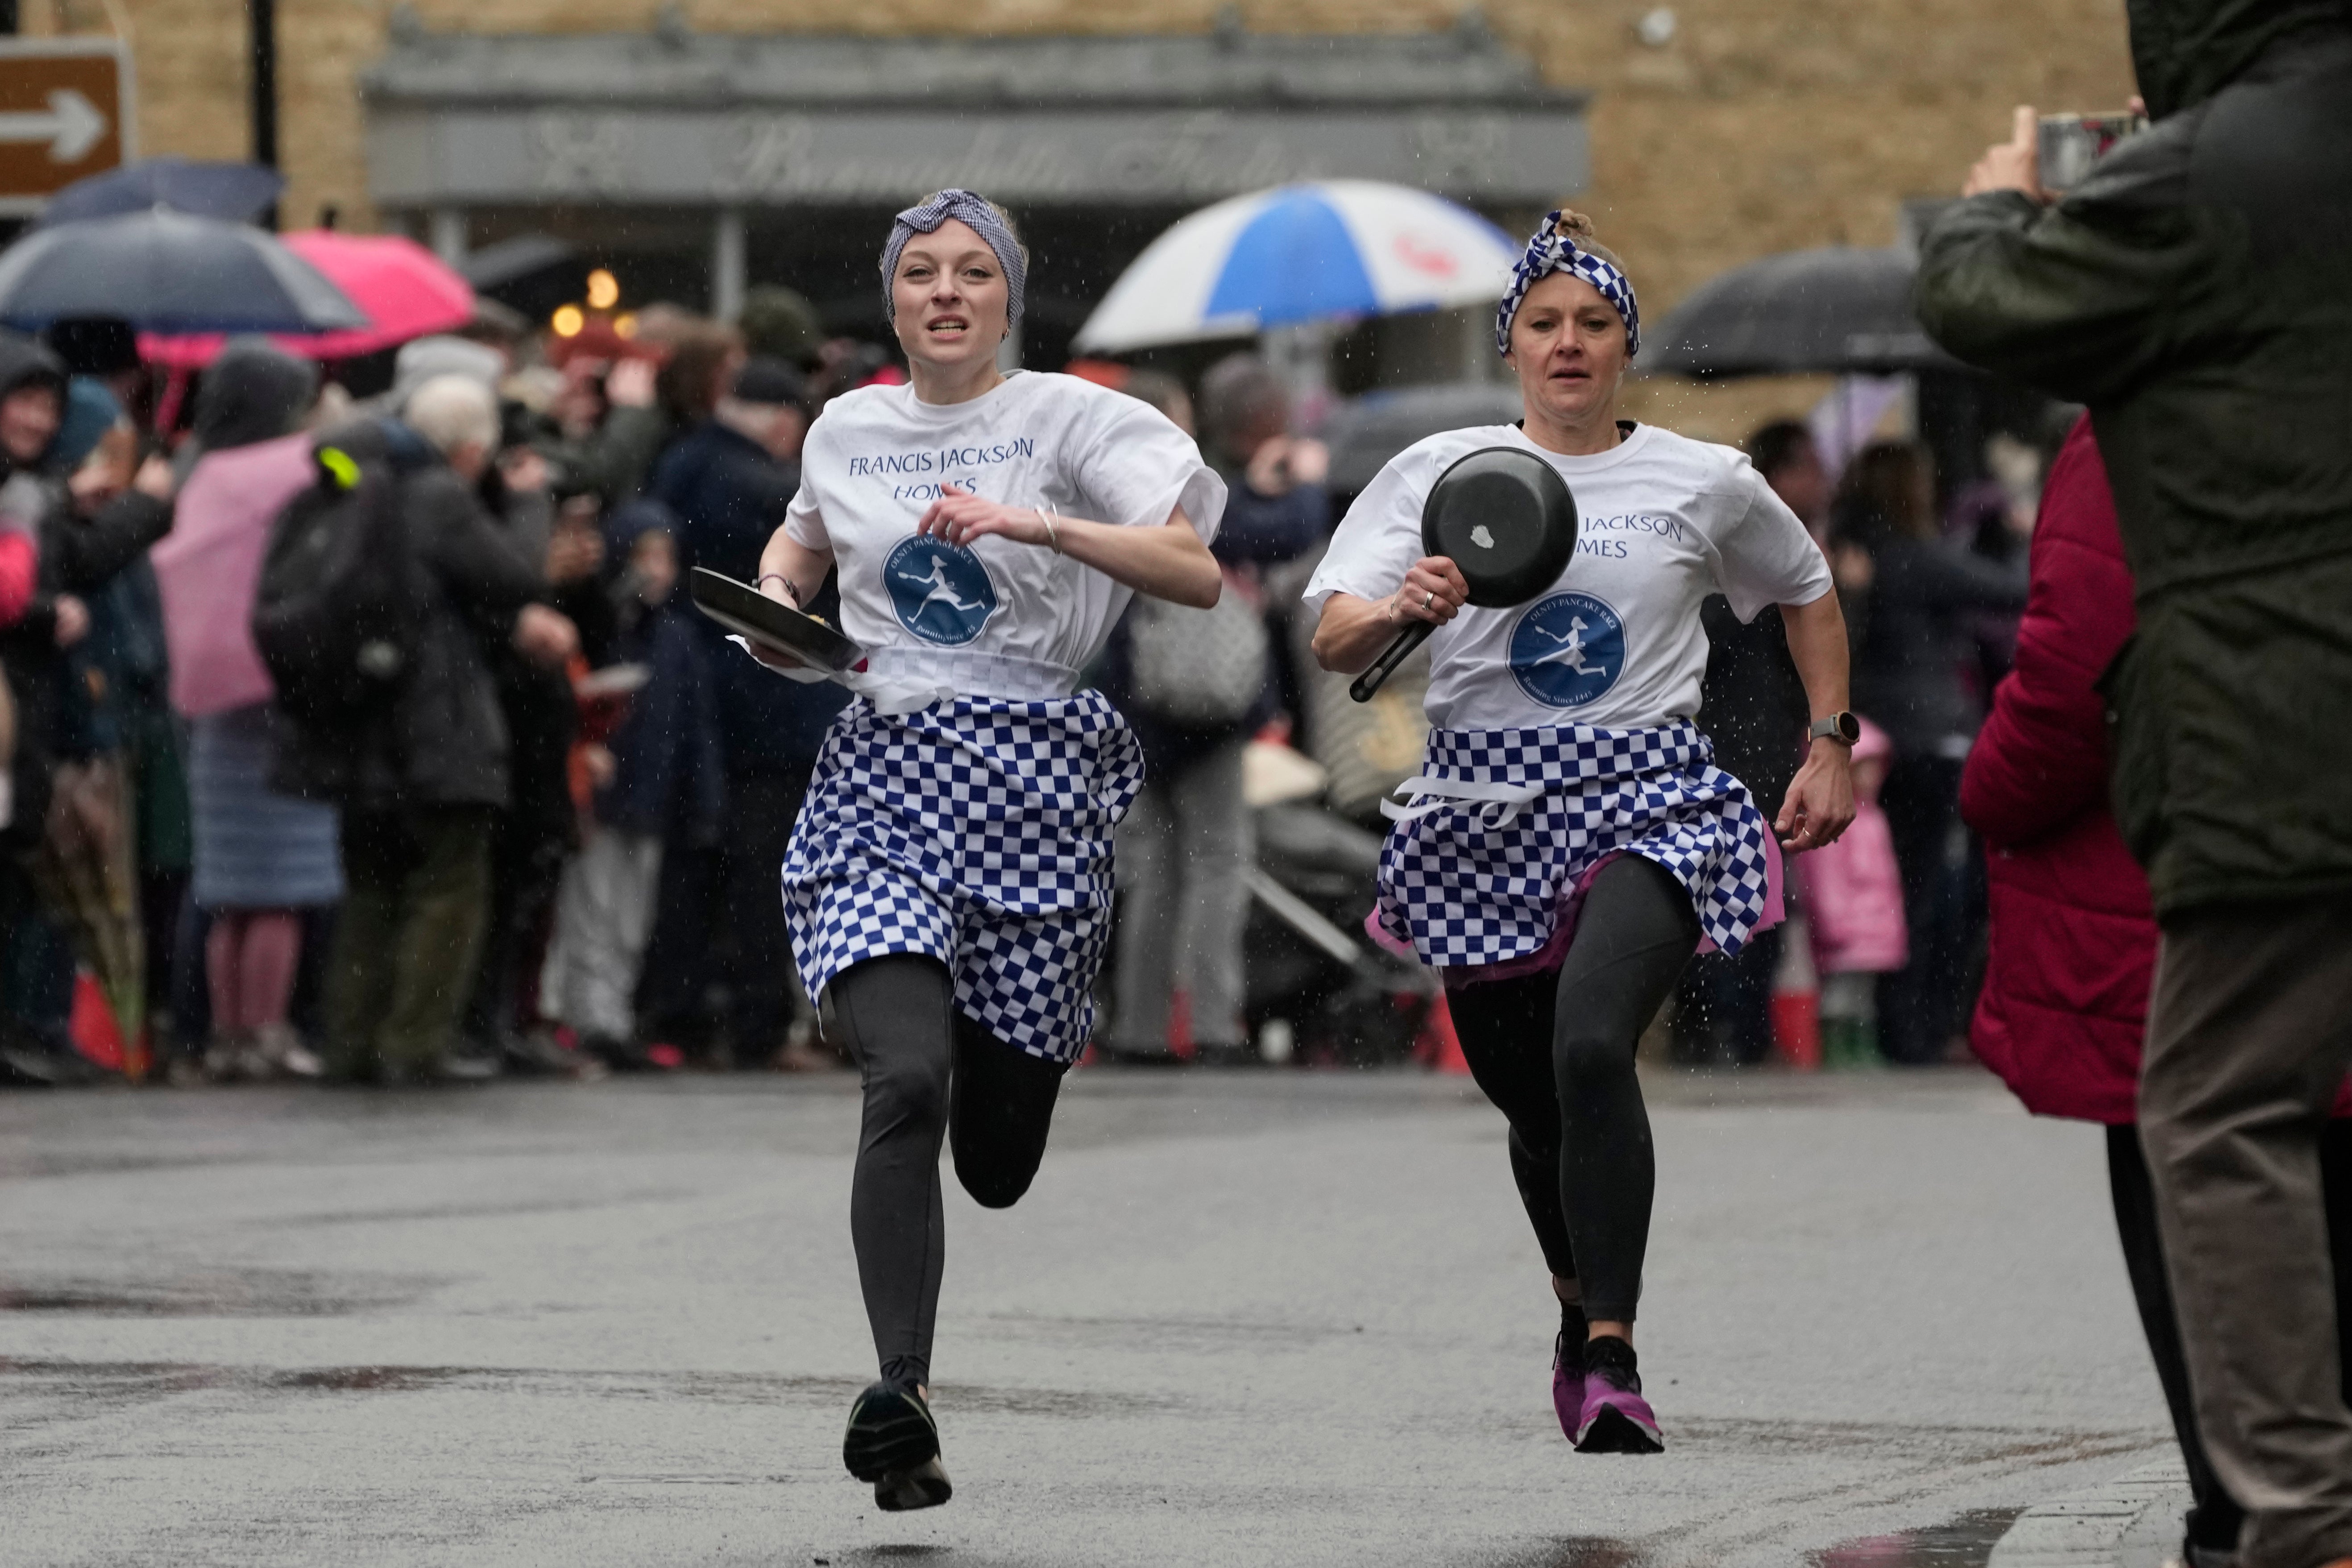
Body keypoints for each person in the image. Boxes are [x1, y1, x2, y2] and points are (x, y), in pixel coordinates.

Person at [1305, 209, 1854, 1454]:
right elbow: (1333, 637)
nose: (1568, 344)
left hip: (1646, 791)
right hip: (1481, 807)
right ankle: (1572, 1305)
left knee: (1593, 1044)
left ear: (1623, 345)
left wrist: (1830, 740)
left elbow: (1808, 588)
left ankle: (1612, 1351)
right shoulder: (1435, 474)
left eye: (1593, 324)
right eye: (1544, 324)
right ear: (1511, 345)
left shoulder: (1701, 480)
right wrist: (1401, 603)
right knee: (1532, 1096)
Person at [1914, 8, 2352, 1560]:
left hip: (2263, 768)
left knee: (2217, 1119)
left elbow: (1981, 304)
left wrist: (2004, 203)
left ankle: (2293, 1517)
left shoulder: (2221, 192)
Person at [750, 189, 1224, 1510]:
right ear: (892, 299)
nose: (946, 292)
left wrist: (1039, 524)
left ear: (1008, 296)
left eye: (973, 272)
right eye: (921, 273)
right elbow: (801, 534)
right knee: (902, 1078)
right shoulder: (847, 425)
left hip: (1035, 785)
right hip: (886, 775)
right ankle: (900, 1396)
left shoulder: (1072, 419)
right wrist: (777, 602)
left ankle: (1005, 1067)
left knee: (996, 1161)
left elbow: (1191, 569)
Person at [1962, 415, 2352, 1568]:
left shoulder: (2144, 412)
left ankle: (2255, 1518)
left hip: (2177, 875)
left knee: (2201, 1161)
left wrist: (1986, 787)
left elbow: (2076, 670)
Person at [278, 375, 577, 1084]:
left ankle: (350, 1042)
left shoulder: (359, 492)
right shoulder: (438, 495)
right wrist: (529, 501)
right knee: (448, 886)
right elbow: (516, 574)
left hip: (363, 721)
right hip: (439, 726)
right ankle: (414, 1044)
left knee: (371, 886)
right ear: (470, 450)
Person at [1101, 355, 1327, 1064]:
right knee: (1217, 862)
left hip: (1135, 705)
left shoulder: (1102, 487)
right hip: (1198, 709)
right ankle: (1212, 1024)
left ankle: (1138, 1028)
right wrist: (1305, 483)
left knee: (1154, 868)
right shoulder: (1173, 485)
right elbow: (1276, 534)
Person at [645, 355, 846, 1069]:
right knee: (768, 869)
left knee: (699, 868)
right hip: (771, 705)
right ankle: (759, 1021)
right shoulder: (764, 486)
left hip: (695, 699)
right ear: (785, 423)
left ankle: (687, 1016)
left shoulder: (680, 463)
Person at [150, 342, 340, 1082]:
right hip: (279, 692)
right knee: (283, 892)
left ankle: (227, 1034)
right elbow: (355, 477)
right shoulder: (301, 465)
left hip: (211, 697)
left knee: (230, 890)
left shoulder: (201, 470)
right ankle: (268, 1031)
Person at [1832, 441, 2025, 1065]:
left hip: (1873, 738)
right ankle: (1914, 1027)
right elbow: (2012, 589)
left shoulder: (1853, 556)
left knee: (1889, 885)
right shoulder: (1916, 558)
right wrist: (2012, 536)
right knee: (1926, 888)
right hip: (1930, 736)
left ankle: (1894, 1022)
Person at [539, 502, 721, 1058]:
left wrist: (703, 800)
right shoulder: (605, 626)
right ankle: (582, 1015)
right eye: (645, 556)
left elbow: (697, 727)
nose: (657, 571)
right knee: (591, 907)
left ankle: (612, 1016)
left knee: (631, 916)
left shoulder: (678, 637)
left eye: (667, 558)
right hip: (603, 793)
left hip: (652, 798)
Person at [1675, 419, 1828, 1064]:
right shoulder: (1729, 556)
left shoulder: (1791, 556)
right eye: (1807, 466)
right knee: (1725, 881)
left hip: (1754, 740)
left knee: (1753, 882)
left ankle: (1735, 1028)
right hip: (1727, 741)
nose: (1821, 480)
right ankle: (1722, 1026)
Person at [1801, 715, 1906, 1068]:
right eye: (1864, 768)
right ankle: (1836, 1050)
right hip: (1847, 932)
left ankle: (1861, 1048)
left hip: (1875, 930)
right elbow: (1826, 878)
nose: (1872, 777)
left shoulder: (1874, 817)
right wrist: (1832, 923)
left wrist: (1891, 922)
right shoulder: (1833, 819)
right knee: (1839, 995)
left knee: (1863, 996)